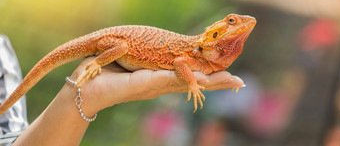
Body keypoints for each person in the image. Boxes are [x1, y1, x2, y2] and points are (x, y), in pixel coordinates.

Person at [0, 34, 245, 146]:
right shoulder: (190, 55)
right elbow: (180, 64)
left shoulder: (4, 61)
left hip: (118, 45)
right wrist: (96, 63)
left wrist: (86, 96)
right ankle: (98, 61)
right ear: (213, 33)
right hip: (114, 44)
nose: (239, 26)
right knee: (120, 48)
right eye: (232, 22)